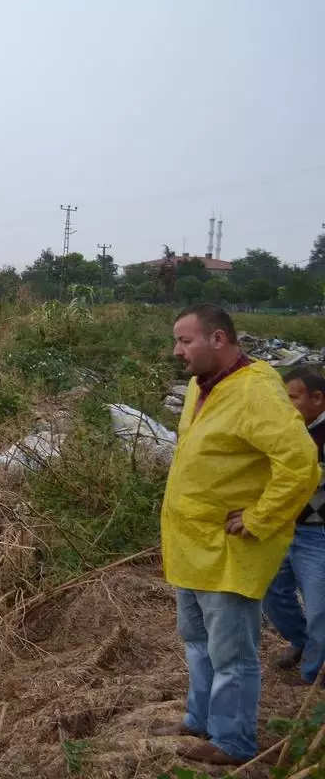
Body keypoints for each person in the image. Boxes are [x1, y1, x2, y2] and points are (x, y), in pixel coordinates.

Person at [158, 305, 320, 766]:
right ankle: (201, 719)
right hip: (190, 546)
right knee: (196, 641)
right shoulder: (198, 387)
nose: (177, 351)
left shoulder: (255, 392)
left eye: (185, 341)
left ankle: (233, 742)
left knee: (232, 654)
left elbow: (300, 463)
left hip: (228, 549)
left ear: (218, 339)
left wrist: (259, 517)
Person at [262, 366, 325, 685]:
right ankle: (302, 643)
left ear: (318, 398)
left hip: (317, 531)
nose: (288, 404)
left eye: (294, 397)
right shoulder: (288, 429)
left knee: (318, 606)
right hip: (284, 526)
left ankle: (314, 672)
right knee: (273, 593)